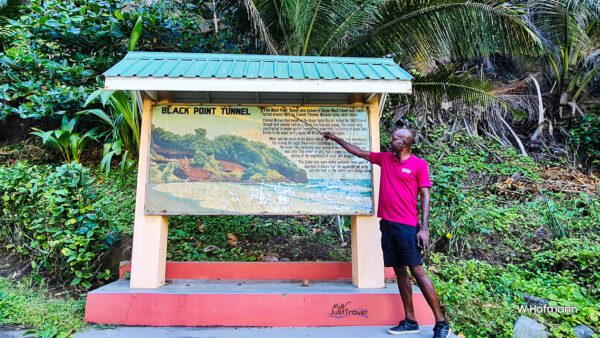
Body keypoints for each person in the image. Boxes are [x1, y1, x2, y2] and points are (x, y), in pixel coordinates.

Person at [323, 128, 451, 338]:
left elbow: (425, 196)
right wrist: (336, 139)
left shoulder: (419, 165)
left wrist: (424, 229)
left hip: (407, 227)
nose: (391, 141)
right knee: (400, 271)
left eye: (395, 138)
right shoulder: (385, 159)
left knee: (417, 271)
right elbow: (359, 152)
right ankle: (410, 321)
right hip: (388, 225)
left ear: (405, 142)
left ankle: (441, 322)